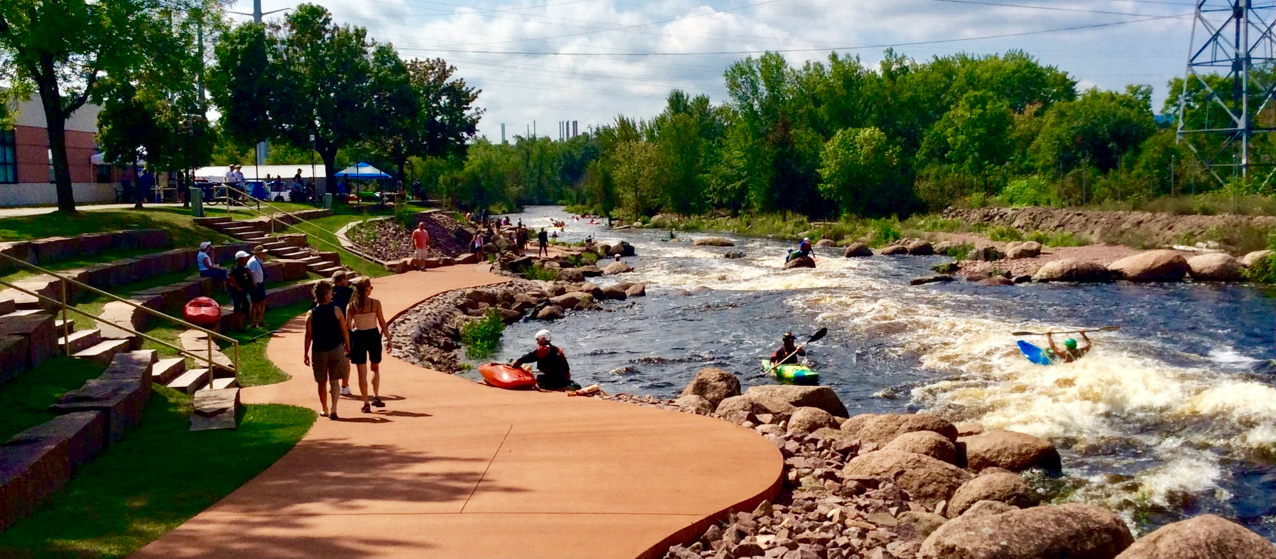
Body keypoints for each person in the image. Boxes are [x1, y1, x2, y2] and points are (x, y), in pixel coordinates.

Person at [304, 281, 350, 420]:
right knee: (334, 381)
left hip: (319, 350)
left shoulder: (311, 314)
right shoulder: (336, 310)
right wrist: (347, 344)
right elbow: (344, 330)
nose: (332, 295)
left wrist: (305, 352)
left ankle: (324, 408)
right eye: (330, 293)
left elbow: (308, 335)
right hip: (336, 348)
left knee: (321, 382)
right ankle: (334, 408)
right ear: (325, 295)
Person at [347, 278, 390, 413]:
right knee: (375, 367)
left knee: (361, 372)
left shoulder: (351, 306)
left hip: (358, 336)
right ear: (366, 289)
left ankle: (366, 402)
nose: (372, 289)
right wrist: (388, 337)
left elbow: (348, 326)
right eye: (370, 287)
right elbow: (382, 322)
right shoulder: (375, 303)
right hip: (373, 335)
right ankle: (376, 396)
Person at [331, 271, 355, 396]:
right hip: (345, 328)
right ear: (342, 280)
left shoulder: (327, 292)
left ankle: (333, 384)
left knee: (332, 357)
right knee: (346, 358)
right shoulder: (349, 292)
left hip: (330, 329)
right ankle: (344, 386)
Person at [228, 251, 255, 332]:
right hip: (237, 292)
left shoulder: (243, 268)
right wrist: (237, 287)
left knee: (245, 307)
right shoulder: (236, 268)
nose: (246, 259)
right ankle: (239, 327)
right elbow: (231, 278)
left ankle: (244, 324)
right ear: (240, 259)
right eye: (245, 257)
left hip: (243, 292)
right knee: (238, 309)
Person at [246, 245, 268, 328]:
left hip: (260, 284)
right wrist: (253, 282)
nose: (264, 255)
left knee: (262, 302)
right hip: (255, 285)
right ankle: (253, 323)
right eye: (263, 253)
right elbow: (250, 273)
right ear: (259, 253)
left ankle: (260, 321)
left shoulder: (258, 260)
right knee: (255, 304)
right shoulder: (253, 261)